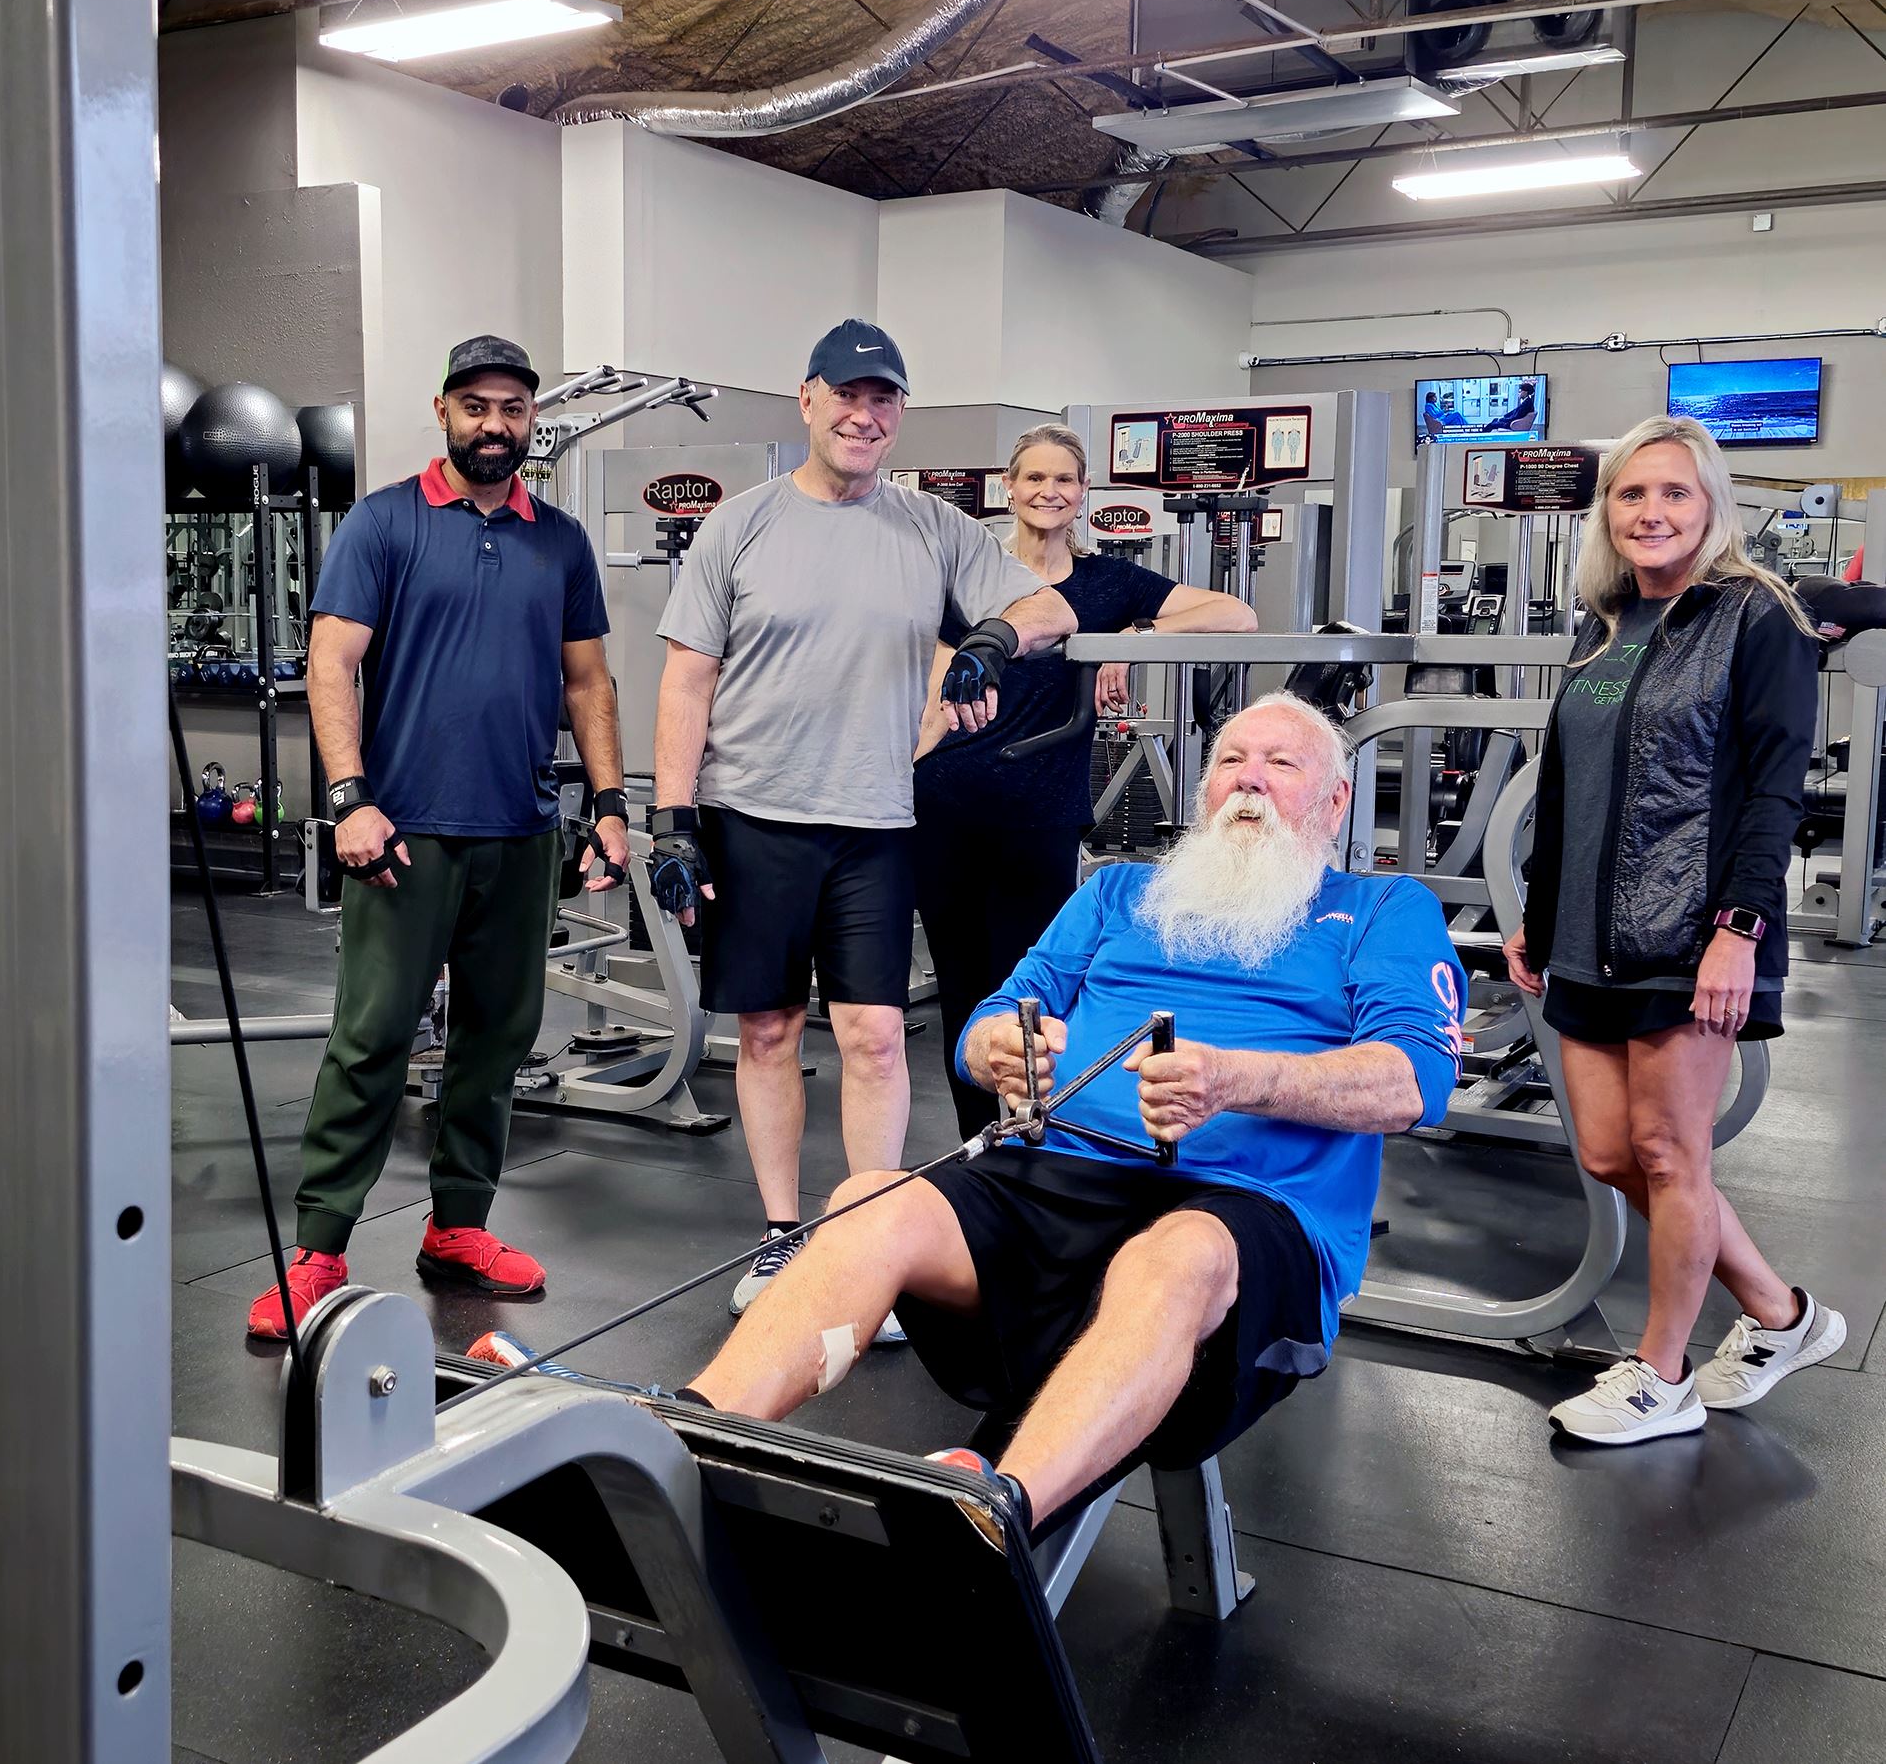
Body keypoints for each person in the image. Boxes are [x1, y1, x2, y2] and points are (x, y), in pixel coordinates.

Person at [666, 696, 1464, 1531]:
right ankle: (682, 1439)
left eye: (1281, 764)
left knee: (1177, 1256)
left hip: (1246, 1216)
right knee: (869, 1202)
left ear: (1336, 802)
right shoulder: (1122, 892)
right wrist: (995, 1049)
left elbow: (1412, 1082)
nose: (1249, 782)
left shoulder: (1383, 909)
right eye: (1231, 761)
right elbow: (998, 1011)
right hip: (1058, 1178)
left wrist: (1235, 1080)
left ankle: (994, 1518)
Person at [647, 319, 1080, 1330]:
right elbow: (685, 678)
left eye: (882, 400)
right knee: (767, 1031)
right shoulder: (740, 525)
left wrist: (987, 637)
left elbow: (1049, 607)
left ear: (898, 417)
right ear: (807, 402)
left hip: (878, 820)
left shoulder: (932, 529)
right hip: (752, 812)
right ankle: (781, 1234)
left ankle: (865, 1237)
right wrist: (670, 817)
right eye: (847, 395)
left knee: (877, 1036)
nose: (863, 414)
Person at [248, 336, 631, 1339]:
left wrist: (610, 804)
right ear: (443, 410)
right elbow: (331, 664)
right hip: (404, 831)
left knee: (495, 1045)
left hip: (518, 831)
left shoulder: (559, 540)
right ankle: (320, 1248)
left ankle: (458, 1226)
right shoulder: (384, 524)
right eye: (475, 406)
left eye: (511, 407)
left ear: (530, 419)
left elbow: (588, 682)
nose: (494, 424)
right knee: (370, 1040)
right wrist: (348, 797)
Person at [1502, 414, 1843, 1443]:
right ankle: (1781, 1315)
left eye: (1673, 493)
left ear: (1710, 506)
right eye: (1630, 495)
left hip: (1689, 933)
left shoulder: (1756, 617)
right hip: (1580, 933)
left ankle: (1660, 1375)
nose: (1650, 513)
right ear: (1608, 512)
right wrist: (1532, 914)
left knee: (1667, 1149)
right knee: (1610, 1152)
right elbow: (1563, 788)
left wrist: (1738, 927)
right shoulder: (1600, 626)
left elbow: (1774, 792)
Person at [913, 422, 1255, 1137]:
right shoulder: (973, 579)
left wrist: (1127, 640)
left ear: (1082, 493)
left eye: (1063, 479)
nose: (1048, 491)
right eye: (1034, 478)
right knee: (963, 988)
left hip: (1040, 815)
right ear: (1009, 488)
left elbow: (1238, 612)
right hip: (946, 806)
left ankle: (1036, 1131)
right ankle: (977, 1140)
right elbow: (936, 698)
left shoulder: (1109, 583)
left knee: (1037, 989)